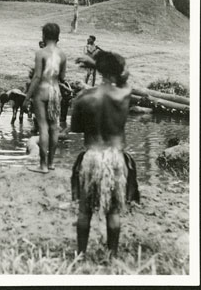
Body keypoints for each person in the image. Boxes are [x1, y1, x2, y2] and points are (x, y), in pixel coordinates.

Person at [71, 51, 140, 256]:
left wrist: (96, 65)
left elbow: (76, 127)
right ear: (118, 72)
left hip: (92, 156)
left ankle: (81, 255)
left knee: (85, 211)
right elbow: (125, 77)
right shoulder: (124, 93)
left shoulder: (84, 97)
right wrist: (98, 64)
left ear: (100, 71)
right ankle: (112, 256)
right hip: (116, 158)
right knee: (113, 212)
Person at [23, 23, 66, 173]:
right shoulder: (62, 55)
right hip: (56, 91)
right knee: (54, 127)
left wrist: (27, 98)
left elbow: (37, 77)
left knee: (43, 128)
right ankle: (51, 163)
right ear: (58, 37)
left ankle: (42, 165)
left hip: (42, 92)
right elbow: (62, 77)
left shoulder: (40, 53)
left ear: (44, 36)